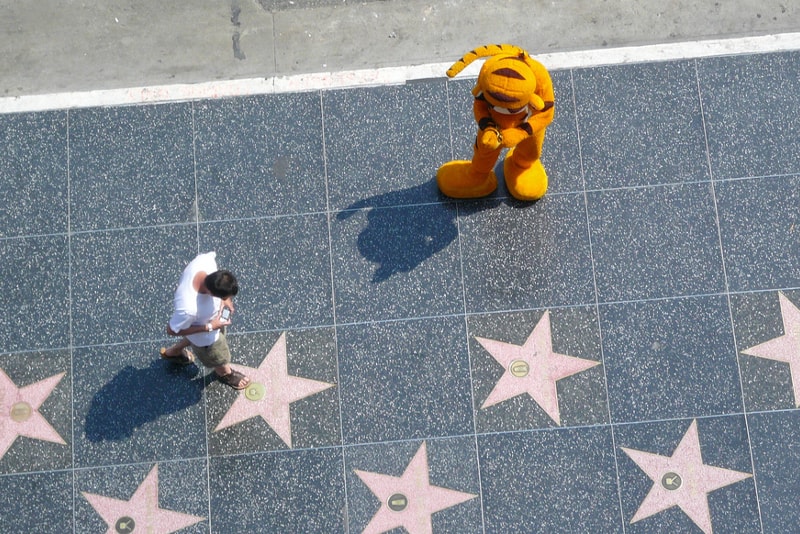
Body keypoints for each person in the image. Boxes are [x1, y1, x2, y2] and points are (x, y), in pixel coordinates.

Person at [160, 251, 251, 390]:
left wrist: (226, 302)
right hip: (206, 339)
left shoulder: (206, 262)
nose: (226, 299)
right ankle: (225, 374)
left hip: (207, 323)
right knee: (219, 356)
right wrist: (209, 327)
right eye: (223, 297)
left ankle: (174, 352)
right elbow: (171, 330)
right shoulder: (188, 309)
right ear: (212, 294)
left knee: (194, 337)